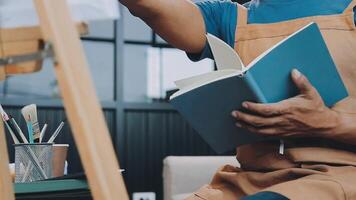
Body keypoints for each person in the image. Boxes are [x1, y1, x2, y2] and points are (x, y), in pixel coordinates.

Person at [120, 0, 356, 199]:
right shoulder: (231, 16)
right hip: (247, 181)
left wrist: (330, 123)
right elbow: (150, 6)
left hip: (335, 177)